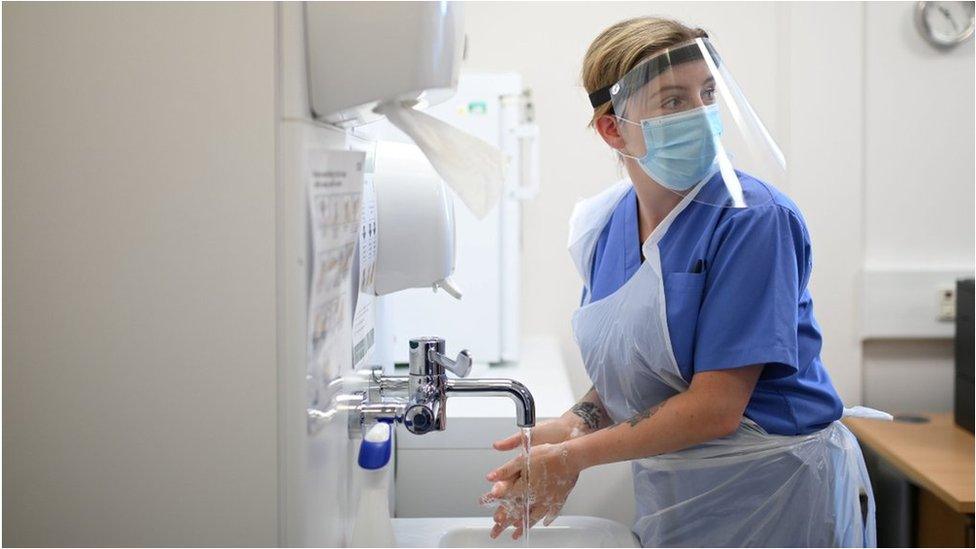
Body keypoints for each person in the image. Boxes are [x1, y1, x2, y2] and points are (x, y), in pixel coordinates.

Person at [482, 16, 884, 547]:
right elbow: (642, 365)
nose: (701, 113)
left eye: (709, 93)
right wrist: (579, 419)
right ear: (613, 129)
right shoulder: (605, 227)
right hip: (679, 493)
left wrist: (572, 457)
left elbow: (714, 409)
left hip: (776, 492)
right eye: (673, 101)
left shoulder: (753, 220)